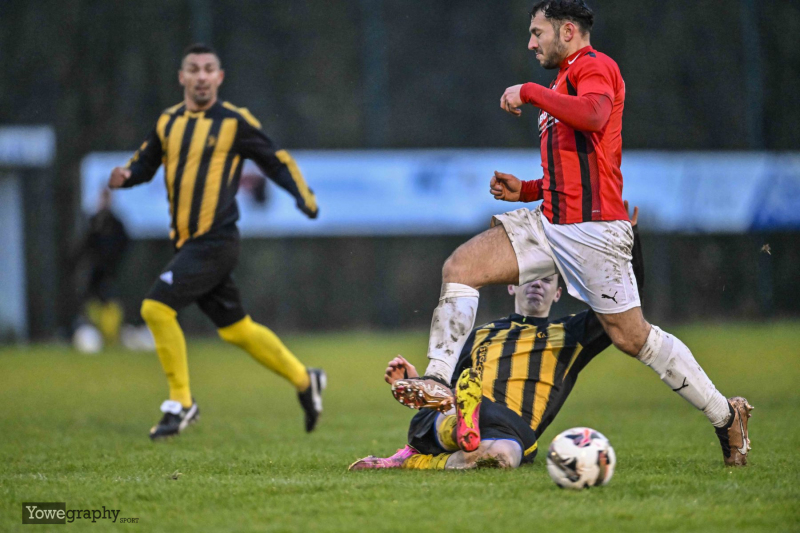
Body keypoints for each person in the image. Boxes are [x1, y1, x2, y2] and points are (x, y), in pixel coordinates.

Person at [393, 0, 752, 467]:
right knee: (461, 267)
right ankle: (439, 381)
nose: (530, 42)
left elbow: (596, 116)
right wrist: (527, 190)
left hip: (594, 231)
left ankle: (727, 417)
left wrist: (529, 91)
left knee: (632, 337)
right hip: (551, 219)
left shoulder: (594, 66)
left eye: (536, 32)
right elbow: (573, 167)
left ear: (566, 31)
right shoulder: (561, 83)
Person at [108, 44, 325, 440]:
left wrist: (302, 195)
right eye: (194, 69)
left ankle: (181, 401)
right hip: (188, 244)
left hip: (216, 241)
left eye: (209, 69)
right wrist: (127, 175)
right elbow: (145, 162)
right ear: (183, 77)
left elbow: (275, 158)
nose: (202, 76)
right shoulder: (167, 122)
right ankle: (304, 380)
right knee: (236, 330)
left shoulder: (234, 122)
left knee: (155, 309)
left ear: (219, 78)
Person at [351, 208, 645, 471]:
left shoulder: (573, 335)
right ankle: (463, 423)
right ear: (511, 285)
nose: (537, 284)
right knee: (456, 403)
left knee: (503, 457)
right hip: (464, 409)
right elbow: (447, 388)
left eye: (547, 279)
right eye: (531, 277)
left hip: (511, 428)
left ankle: (418, 459)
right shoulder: (481, 334)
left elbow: (625, 301)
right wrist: (420, 382)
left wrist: (627, 242)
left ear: (558, 293)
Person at [77, 188, 129, 346]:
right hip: (95, 270)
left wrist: (116, 261)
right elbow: (85, 244)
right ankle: (95, 331)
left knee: (111, 303)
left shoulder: (116, 223)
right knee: (92, 302)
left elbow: (125, 244)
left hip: (110, 270)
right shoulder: (94, 221)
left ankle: (111, 335)